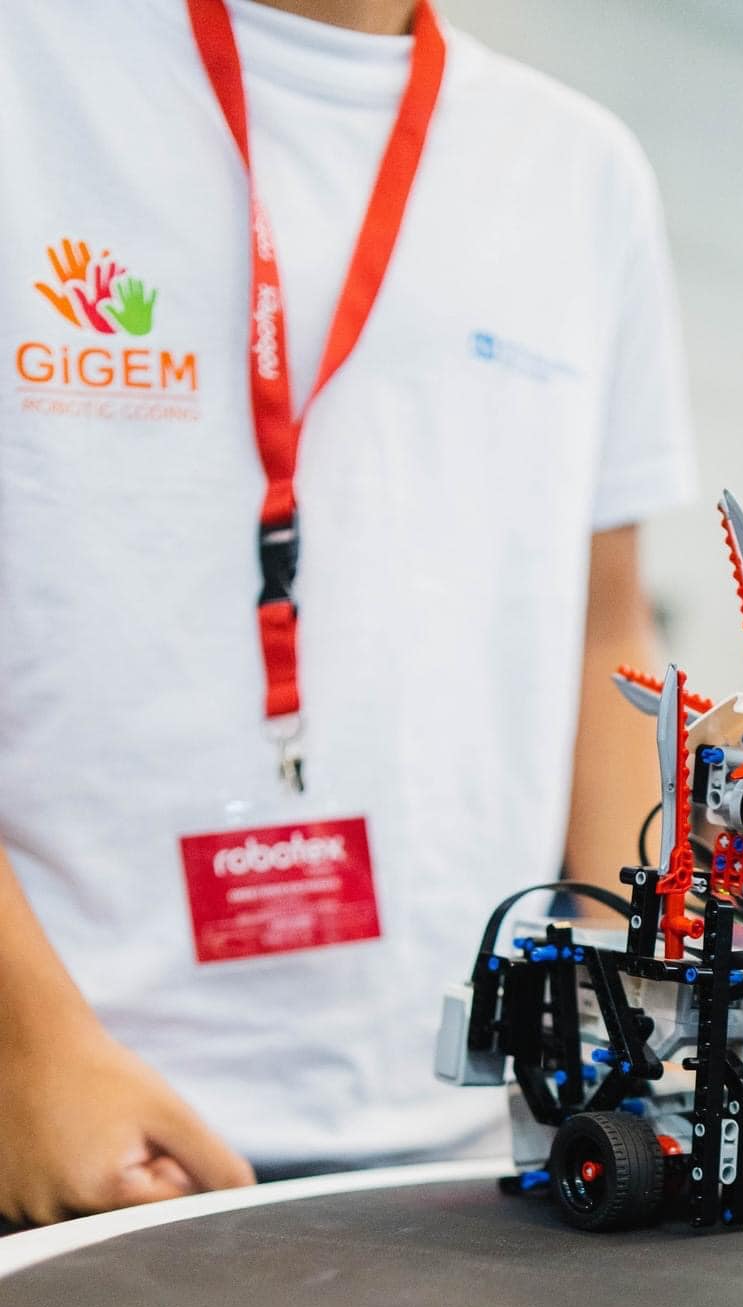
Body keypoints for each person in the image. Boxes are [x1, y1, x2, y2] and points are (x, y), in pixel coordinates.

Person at [0, 0, 694, 1224]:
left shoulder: (581, 173)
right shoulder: (31, 76)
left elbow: (605, 634)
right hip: (73, 1136)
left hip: (479, 1148)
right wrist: (24, 1044)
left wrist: (636, 1030)